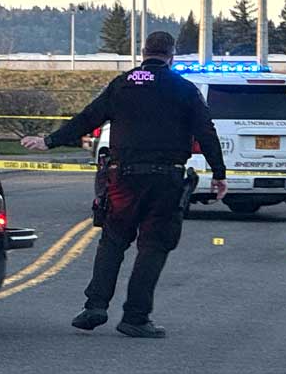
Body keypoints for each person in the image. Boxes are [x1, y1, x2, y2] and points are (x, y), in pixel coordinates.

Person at [21, 31, 228, 338]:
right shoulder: (185, 89)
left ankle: (94, 306)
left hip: (123, 178)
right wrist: (218, 173)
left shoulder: (123, 84)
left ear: (143, 52)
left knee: (114, 240)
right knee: (153, 246)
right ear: (171, 56)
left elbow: (88, 117)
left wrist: (48, 141)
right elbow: (206, 132)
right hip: (166, 179)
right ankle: (135, 317)